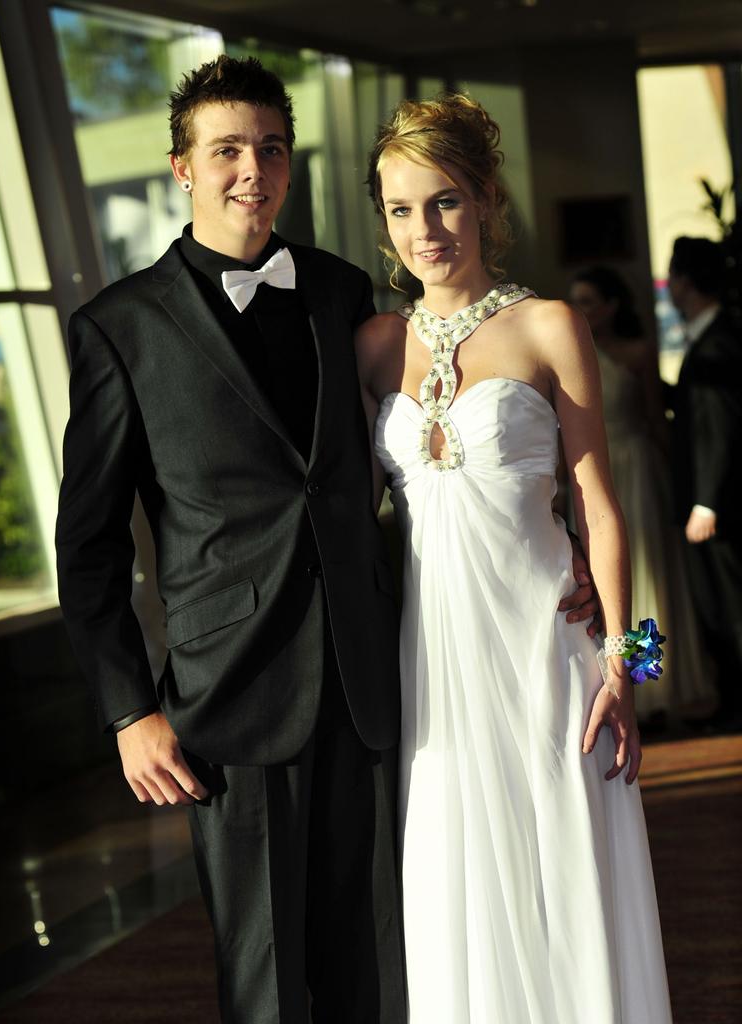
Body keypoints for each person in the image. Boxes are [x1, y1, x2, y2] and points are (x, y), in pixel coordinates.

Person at [55, 57, 599, 1022]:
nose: (250, 171)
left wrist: (592, 588)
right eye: (225, 151)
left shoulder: (347, 298)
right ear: (182, 167)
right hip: (231, 697)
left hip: (382, 682)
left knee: (390, 966)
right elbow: (89, 544)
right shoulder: (119, 329)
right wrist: (129, 711)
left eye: (270, 148)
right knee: (266, 983)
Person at [356, 95, 672, 1023]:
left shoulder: (549, 326)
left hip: (547, 650)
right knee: (459, 877)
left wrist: (631, 663)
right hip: (437, 666)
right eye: (402, 210)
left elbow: (604, 515)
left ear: (488, 199)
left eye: (446, 201)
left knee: (565, 867)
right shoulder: (374, 346)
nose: (426, 230)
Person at [570, 267, 709, 727]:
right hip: (594, 475)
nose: (581, 310)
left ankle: (653, 684)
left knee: (647, 579)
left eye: (589, 300)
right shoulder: (569, 353)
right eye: (576, 301)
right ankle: (619, 679)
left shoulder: (636, 353)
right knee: (606, 583)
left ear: (612, 306)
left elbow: (655, 417)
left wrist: (681, 485)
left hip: (639, 472)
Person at [667, 236, 742, 729]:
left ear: (685, 284)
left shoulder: (720, 344)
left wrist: (706, 504)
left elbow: (720, 428)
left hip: (720, 506)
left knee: (730, 606)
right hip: (713, 502)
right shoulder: (712, 338)